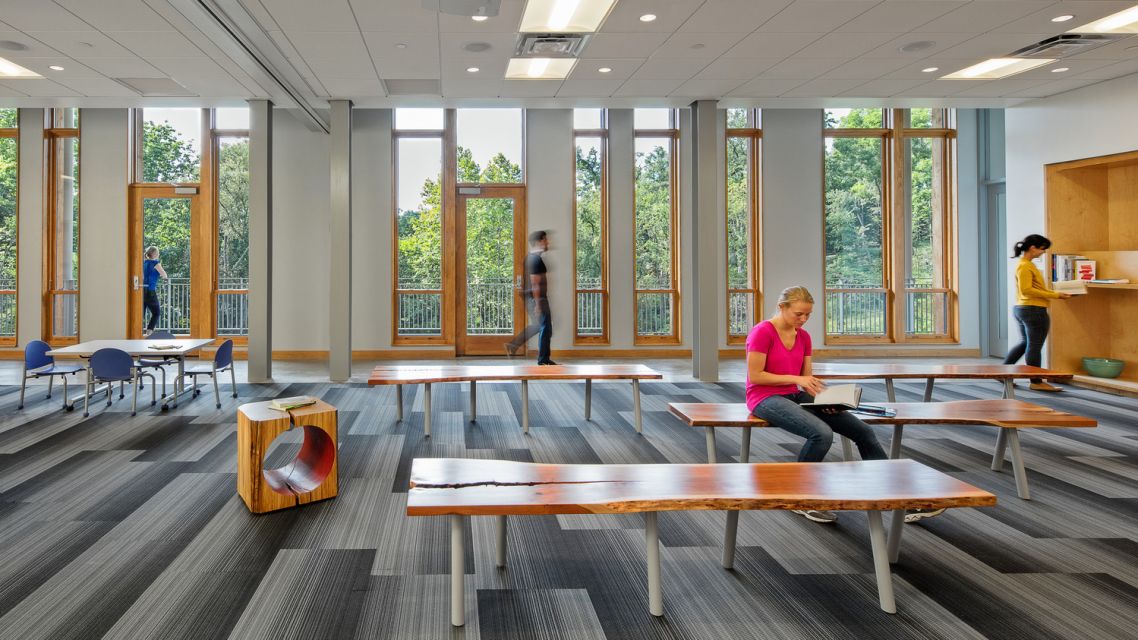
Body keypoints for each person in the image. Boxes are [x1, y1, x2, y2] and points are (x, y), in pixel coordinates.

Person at [746, 286, 889, 524]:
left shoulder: (803, 336)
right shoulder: (762, 332)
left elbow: (806, 381)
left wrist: (825, 400)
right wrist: (797, 379)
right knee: (821, 434)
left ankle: (889, 489)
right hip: (764, 397)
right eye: (798, 314)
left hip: (793, 394)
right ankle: (800, 498)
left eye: (808, 315)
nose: (803, 320)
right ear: (782, 308)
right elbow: (756, 376)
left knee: (863, 431)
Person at [1003, 234, 1072, 392]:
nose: (1044, 252)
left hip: (1023, 308)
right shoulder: (1025, 266)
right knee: (1034, 346)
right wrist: (1056, 295)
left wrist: (1056, 293)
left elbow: (1034, 289)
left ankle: (1003, 373)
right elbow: (1027, 290)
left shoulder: (1025, 265)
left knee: (1026, 343)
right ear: (1033, 248)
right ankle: (1036, 381)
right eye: (1042, 249)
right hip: (1033, 309)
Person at [505, 230, 555, 365]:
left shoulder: (530, 258)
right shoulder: (536, 260)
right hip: (537, 298)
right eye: (545, 240)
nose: (547, 242)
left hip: (532, 297)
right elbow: (535, 283)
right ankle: (543, 359)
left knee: (539, 326)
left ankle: (513, 345)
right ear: (539, 242)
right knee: (545, 327)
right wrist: (538, 303)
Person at [142, 246, 167, 336]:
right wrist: (162, 277)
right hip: (150, 290)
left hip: (142, 290)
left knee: (141, 312)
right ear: (155, 254)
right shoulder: (155, 263)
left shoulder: (144, 263)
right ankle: (149, 332)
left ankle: (138, 332)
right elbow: (164, 274)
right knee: (156, 313)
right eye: (157, 252)